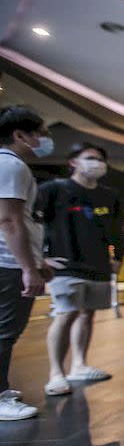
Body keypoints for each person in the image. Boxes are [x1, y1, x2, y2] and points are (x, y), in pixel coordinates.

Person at [38, 142, 123, 396]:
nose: (96, 163)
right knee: (65, 313)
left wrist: (119, 256)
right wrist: (38, 257)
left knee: (87, 314)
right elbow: (28, 217)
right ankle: (56, 373)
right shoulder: (54, 190)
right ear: (73, 162)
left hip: (97, 264)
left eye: (100, 159)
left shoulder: (109, 196)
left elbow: (116, 230)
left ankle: (79, 365)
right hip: (65, 265)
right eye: (89, 158)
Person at [0, 105, 53, 421]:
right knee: (6, 331)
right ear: (20, 135)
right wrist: (28, 268)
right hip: (7, 263)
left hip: (10, 261)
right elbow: (9, 221)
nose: (44, 140)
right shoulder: (12, 167)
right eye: (40, 134)